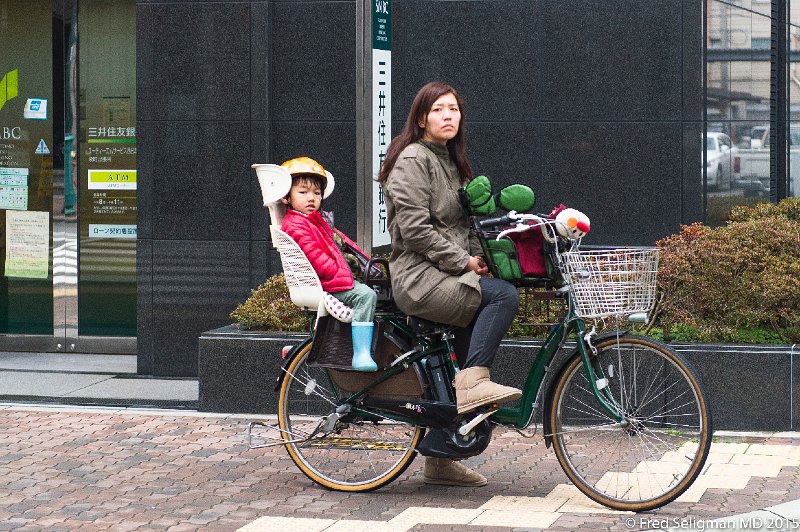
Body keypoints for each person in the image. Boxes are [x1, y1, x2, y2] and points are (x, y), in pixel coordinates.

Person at [378, 81, 522, 487]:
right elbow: (415, 229)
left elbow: (468, 225)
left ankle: (440, 458)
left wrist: (484, 261)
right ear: (421, 117)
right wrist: (464, 262)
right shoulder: (411, 160)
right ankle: (472, 384)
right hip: (418, 277)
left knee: (464, 351)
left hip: (450, 273)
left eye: (454, 109)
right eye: (439, 109)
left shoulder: (453, 162)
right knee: (502, 298)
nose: (448, 116)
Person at [280, 156, 378, 372]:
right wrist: (343, 274)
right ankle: (360, 354)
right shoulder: (296, 225)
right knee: (366, 296)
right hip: (329, 283)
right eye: (303, 192)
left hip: (336, 279)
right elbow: (316, 257)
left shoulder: (316, 220)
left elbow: (346, 244)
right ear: (286, 197)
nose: (311, 198)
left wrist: (369, 263)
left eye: (316, 193)